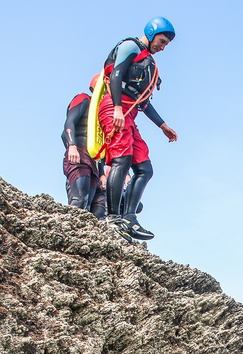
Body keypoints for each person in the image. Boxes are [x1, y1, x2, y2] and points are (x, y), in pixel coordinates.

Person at [98, 16, 178, 241]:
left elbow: (143, 101)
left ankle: (129, 218)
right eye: (161, 42)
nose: (162, 48)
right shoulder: (130, 46)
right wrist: (115, 109)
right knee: (121, 160)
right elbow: (116, 75)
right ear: (152, 33)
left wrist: (163, 125)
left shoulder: (150, 64)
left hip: (130, 114)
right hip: (115, 108)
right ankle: (113, 219)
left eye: (165, 45)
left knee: (145, 168)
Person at [62, 74, 106, 218]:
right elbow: (69, 123)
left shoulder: (101, 114)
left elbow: (101, 146)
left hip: (93, 160)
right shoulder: (83, 98)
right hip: (79, 152)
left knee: (89, 207)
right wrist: (72, 146)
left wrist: (101, 174)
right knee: (79, 200)